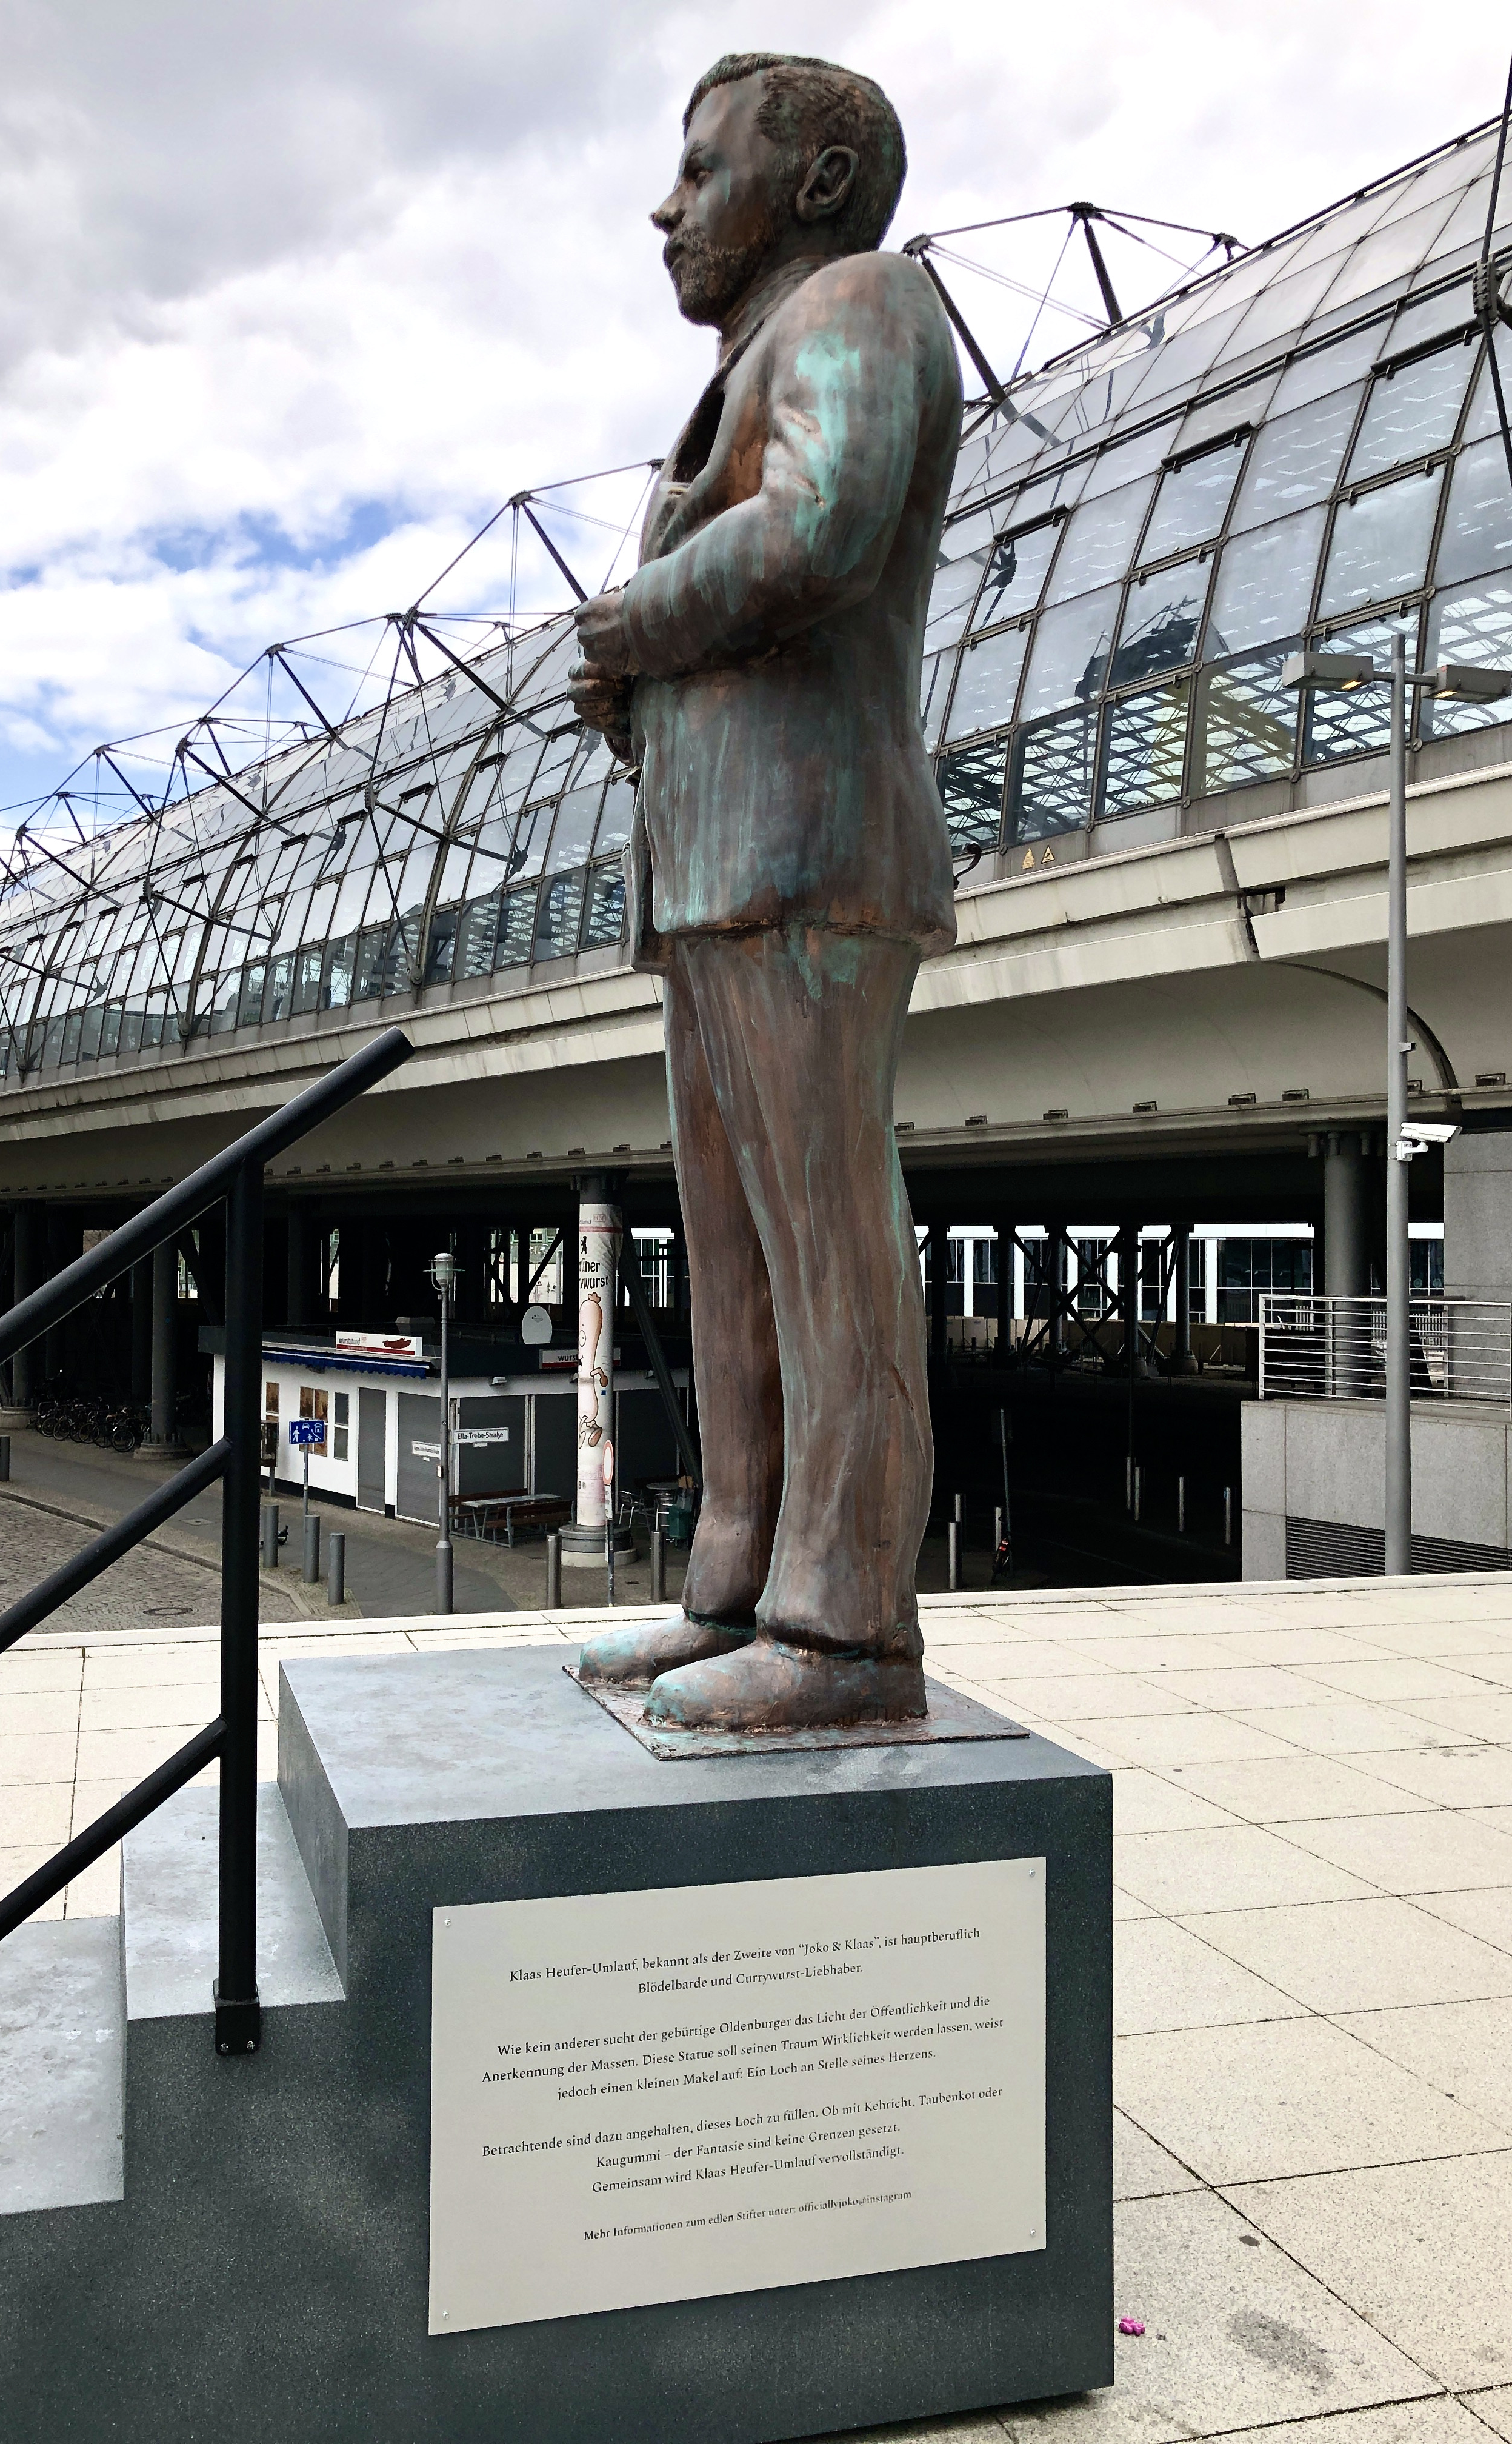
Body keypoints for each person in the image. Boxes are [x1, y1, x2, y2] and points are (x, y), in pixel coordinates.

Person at [570, 51, 959, 1731]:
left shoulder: (862, 301)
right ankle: (738, 1579)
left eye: (705, 170)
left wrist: (630, 627)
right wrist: (634, 678)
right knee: (732, 1252)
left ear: (812, 183)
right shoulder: (748, 359)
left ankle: (851, 1624)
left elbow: (822, 528)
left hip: (810, 855)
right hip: (723, 866)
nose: (668, 208)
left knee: (824, 1244)